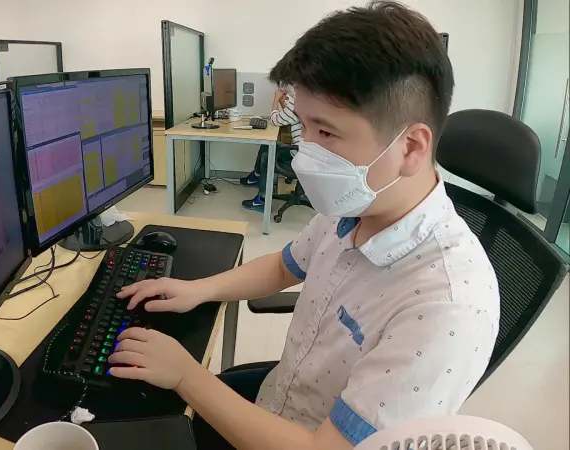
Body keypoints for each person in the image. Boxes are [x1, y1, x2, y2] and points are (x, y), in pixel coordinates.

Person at [110, 2, 500, 449]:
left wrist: (187, 376)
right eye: (304, 127)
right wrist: (199, 289)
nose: (304, 153)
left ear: (410, 147)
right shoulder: (354, 207)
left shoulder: (446, 306)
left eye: (325, 132)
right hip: (278, 402)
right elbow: (284, 266)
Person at [240, 85, 303, 211]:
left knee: (267, 155)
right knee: (267, 145)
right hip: (303, 153)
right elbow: (292, 117)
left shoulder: (298, 101)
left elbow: (275, 121)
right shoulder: (308, 99)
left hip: (300, 157)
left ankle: (261, 200)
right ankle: (256, 177)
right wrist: (282, 102)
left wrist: (275, 99)